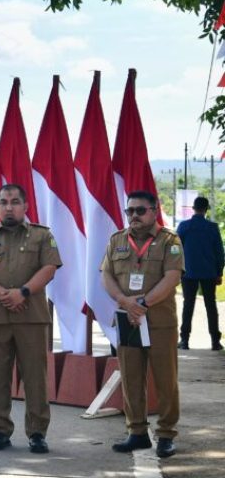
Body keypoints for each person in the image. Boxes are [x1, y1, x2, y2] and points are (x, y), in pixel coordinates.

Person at [0, 184, 60, 454]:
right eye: (4, 201)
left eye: (15, 201)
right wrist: (4, 294)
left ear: (25, 206)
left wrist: (24, 292)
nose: (9, 206)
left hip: (32, 316)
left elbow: (50, 267)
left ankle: (38, 432)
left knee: (35, 377)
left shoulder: (42, 236)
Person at [102, 191, 183, 458]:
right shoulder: (117, 240)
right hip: (129, 321)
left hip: (158, 322)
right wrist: (124, 301)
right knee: (131, 378)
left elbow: (172, 278)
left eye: (140, 210)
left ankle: (166, 434)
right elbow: (107, 276)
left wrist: (143, 304)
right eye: (130, 211)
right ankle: (136, 432)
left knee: (165, 379)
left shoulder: (169, 241)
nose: (134, 216)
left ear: (153, 210)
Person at [175, 196, 223, 351]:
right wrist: (219, 272)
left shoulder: (183, 226)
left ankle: (184, 341)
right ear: (206, 209)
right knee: (211, 306)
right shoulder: (213, 227)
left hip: (188, 273)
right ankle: (215, 342)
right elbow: (219, 252)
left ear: (193, 208)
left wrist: (176, 269)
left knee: (188, 305)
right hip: (209, 272)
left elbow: (176, 249)